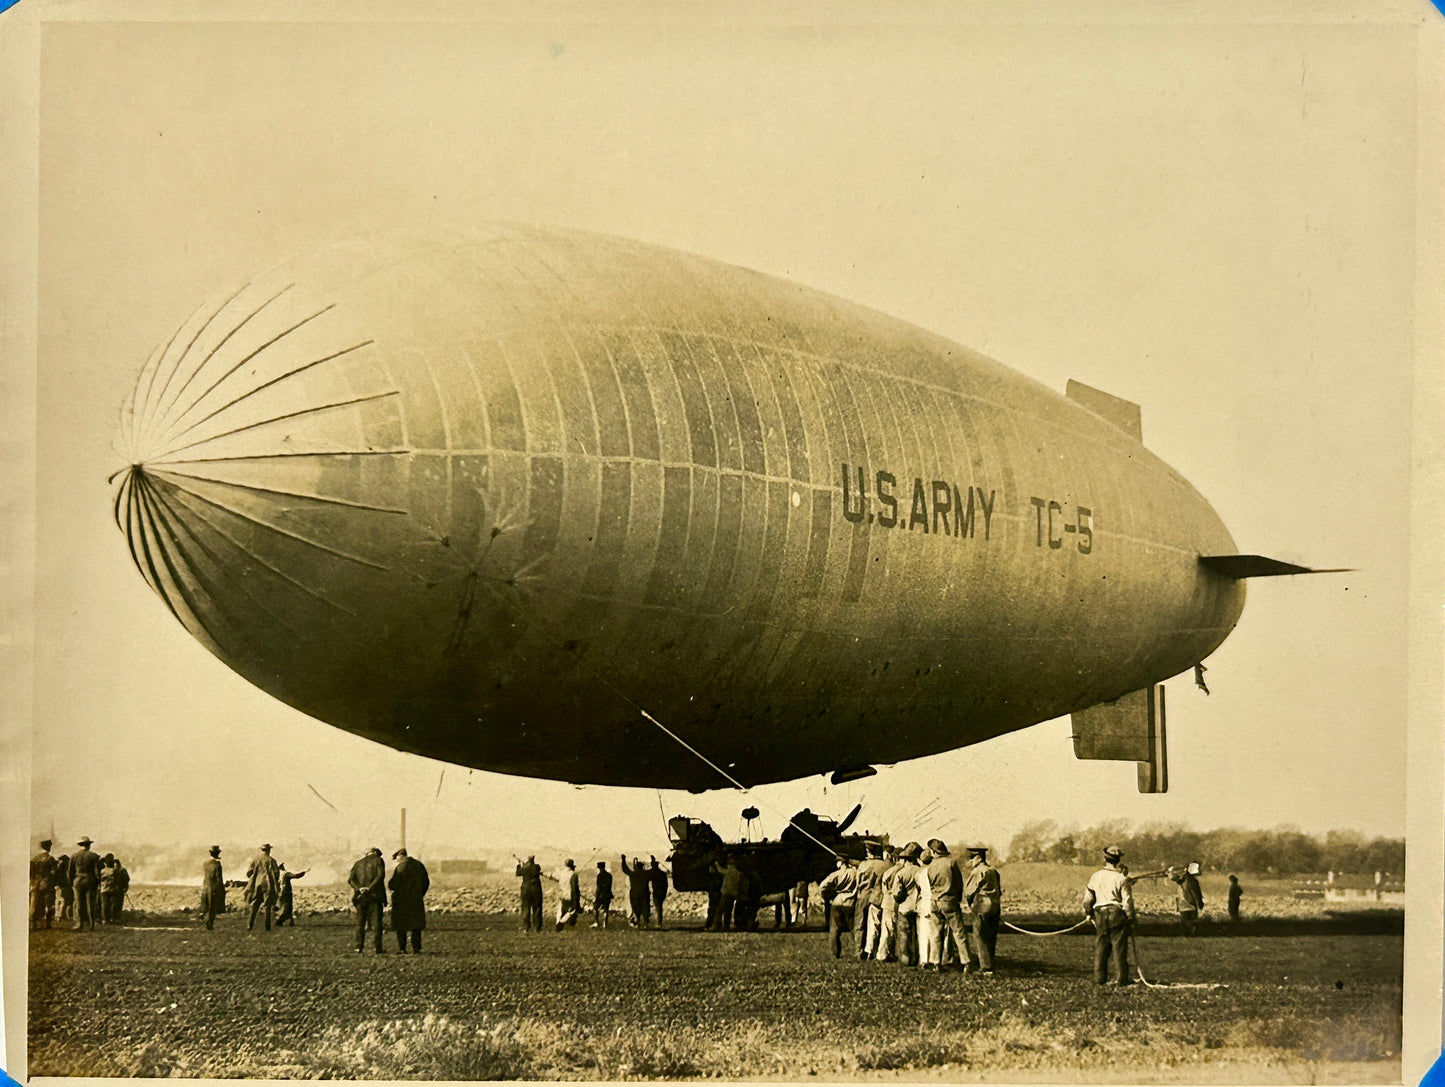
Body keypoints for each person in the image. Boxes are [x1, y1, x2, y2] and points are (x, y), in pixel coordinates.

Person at [1083, 845, 1136, 986]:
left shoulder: (1096, 876)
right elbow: (1127, 901)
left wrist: (1089, 913)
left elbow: (1088, 898)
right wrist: (1131, 919)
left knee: (1101, 946)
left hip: (1100, 914)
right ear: (1118, 860)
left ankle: (1099, 978)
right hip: (1116, 914)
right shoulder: (1121, 878)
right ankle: (1121, 979)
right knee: (1119, 947)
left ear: (1104, 858)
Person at [926, 839, 976, 973]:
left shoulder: (930, 866)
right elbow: (958, 883)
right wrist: (958, 898)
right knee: (959, 933)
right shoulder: (951, 862)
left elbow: (931, 885)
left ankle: (936, 962)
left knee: (936, 933)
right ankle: (966, 962)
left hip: (935, 902)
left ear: (934, 852)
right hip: (949, 901)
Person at [964, 845, 1001, 975]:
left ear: (978, 858)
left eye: (972, 858)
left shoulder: (978, 872)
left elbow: (969, 892)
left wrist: (969, 903)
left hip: (982, 906)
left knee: (980, 935)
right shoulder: (993, 870)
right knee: (991, 936)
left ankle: (985, 967)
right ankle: (990, 964)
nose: (970, 861)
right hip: (995, 906)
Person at [388, 848, 430, 953]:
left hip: (402, 901)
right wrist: (420, 894)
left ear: (401, 856)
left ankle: (402, 948)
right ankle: (417, 949)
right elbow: (426, 882)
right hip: (416, 899)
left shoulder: (401, 867)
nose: (396, 860)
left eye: (396, 858)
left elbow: (393, 884)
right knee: (415, 925)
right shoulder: (419, 865)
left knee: (401, 925)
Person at [818, 853, 859, 959]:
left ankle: (835, 953)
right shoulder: (855, 872)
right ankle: (859, 951)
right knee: (854, 928)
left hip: (837, 901)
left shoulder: (835, 875)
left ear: (841, 862)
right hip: (850, 901)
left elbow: (822, 886)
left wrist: (826, 896)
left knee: (835, 929)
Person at [348, 847, 387, 953]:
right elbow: (380, 876)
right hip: (374, 896)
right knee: (376, 923)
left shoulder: (358, 863)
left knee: (360, 922)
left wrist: (359, 888)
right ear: (374, 853)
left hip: (361, 897)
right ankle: (377, 948)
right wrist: (369, 888)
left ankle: (358, 947)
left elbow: (351, 880)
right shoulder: (379, 861)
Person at [856, 842, 890, 961]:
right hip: (881, 897)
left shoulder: (863, 865)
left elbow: (858, 881)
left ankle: (863, 950)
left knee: (864, 925)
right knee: (882, 926)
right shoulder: (886, 865)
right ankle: (880, 951)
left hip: (865, 896)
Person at [892, 842, 923, 967]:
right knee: (916, 934)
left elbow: (897, 893)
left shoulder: (901, 873)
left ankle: (906, 958)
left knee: (904, 933)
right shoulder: (921, 871)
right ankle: (917, 957)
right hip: (918, 907)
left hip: (905, 907)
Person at [245, 844, 281, 932]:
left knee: (255, 905)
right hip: (268, 885)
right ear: (269, 850)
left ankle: (250, 925)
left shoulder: (256, 860)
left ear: (261, 850)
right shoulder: (272, 860)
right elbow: (276, 874)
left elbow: (249, 873)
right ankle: (267, 927)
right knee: (267, 906)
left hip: (258, 884)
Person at [70, 837, 101, 931]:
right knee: (90, 903)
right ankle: (91, 924)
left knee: (79, 903)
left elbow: (70, 872)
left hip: (78, 881)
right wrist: (98, 882)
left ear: (80, 845)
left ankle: (79, 924)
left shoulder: (74, 856)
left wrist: (72, 881)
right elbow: (97, 872)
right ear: (89, 845)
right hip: (90, 881)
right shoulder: (94, 856)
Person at [30, 839, 58, 930]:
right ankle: (47, 923)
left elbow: (31, 872)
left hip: (35, 883)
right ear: (49, 847)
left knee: (35, 903)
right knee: (48, 903)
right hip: (47, 883)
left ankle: (34, 923)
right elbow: (54, 872)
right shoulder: (50, 859)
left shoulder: (35, 858)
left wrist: (32, 881)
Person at [1171, 863, 1205, 935]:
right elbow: (1196, 893)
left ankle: (1187, 934)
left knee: (1185, 922)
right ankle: (1192, 934)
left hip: (1182, 905)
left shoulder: (1182, 881)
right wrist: (1200, 902)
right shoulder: (1192, 881)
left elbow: (1175, 879)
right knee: (1192, 922)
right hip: (1191, 904)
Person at [620, 854, 652, 928]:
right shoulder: (646, 874)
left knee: (636, 908)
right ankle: (646, 923)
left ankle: (637, 921)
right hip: (644, 894)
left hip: (635, 894)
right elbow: (653, 872)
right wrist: (653, 861)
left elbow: (625, 869)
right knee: (645, 908)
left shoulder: (633, 874)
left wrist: (623, 860)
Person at [715, 855, 745, 932]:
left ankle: (717, 925)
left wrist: (716, 864)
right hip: (733, 893)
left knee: (720, 909)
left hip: (726, 893)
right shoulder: (738, 873)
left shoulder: (729, 871)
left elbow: (720, 870)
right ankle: (726, 925)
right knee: (728, 910)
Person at [515, 855, 544, 932]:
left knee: (525, 908)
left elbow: (518, 873)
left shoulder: (524, 868)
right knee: (537, 908)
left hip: (526, 890)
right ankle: (537, 927)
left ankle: (526, 927)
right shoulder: (537, 867)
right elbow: (535, 869)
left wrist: (519, 865)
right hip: (536, 890)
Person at [200, 846, 225, 930]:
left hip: (205, 886)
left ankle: (206, 920)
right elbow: (219, 879)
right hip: (213, 887)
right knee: (212, 906)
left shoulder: (205, 863)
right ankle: (209, 923)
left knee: (206, 906)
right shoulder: (217, 864)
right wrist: (221, 890)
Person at [554, 859, 581, 930]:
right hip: (569, 894)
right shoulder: (574, 874)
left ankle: (558, 924)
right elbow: (574, 888)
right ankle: (561, 922)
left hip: (561, 894)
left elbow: (554, 877)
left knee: (560, 910)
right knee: (572, 911)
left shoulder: (561, 873)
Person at [648, 857, 669, 929]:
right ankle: (659, 921)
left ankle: (659, 922)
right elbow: (666, 885)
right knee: (659, 907)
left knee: (658, 907)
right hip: (662, 891)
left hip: (656, 891)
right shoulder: (662, 874)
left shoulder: (653, 873)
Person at [592, 861, 614, 927]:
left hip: (601, 895)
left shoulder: (599, 876)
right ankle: (605, 923)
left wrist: (596, 895)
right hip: (607, 894)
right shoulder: (609, 876)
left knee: (595, 908)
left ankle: (596, 922)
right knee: (606, 909)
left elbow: (599, 887)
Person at [54, 853, 74, 923]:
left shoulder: (60, 867)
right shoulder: (67, 868)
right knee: (63, 901)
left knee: (58, 901)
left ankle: (58, 915)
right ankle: (60, 915)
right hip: (65, 886)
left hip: (59, 886)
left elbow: (56, 877)